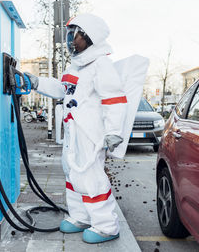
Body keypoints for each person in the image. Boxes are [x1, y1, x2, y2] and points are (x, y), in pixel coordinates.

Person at [26, 13, 127, 244]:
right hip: (74, 130)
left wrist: (114, 131)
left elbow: (114, 99)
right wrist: (37, 83)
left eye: (76, 35)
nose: (71, 40)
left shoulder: (101, 64)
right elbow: (64, 89)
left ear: (89, 38)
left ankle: (106, 225)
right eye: (70, 35)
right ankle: (80, 217)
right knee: (73, 174)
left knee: (91, 177)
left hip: (91, 133)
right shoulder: (77, 65)